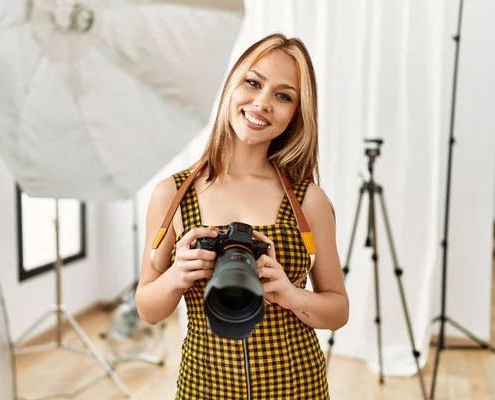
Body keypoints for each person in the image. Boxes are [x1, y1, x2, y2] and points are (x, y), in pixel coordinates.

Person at [135, 32, 349, 400]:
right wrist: (177, 276)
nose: (263, 102)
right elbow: (148, 309)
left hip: (298, 388)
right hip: (204, 387)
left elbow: (338, 310)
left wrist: (290, 294)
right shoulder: (172, 195)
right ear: (231, 86)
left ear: (296, 114)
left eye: (283, 96)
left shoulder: (308, 200)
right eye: (253, 82)